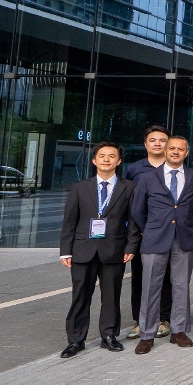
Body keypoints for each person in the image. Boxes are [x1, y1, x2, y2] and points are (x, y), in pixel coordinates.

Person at [59, 142, 135, 357]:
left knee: (111, 295)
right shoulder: (80, 187)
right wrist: (66, 250)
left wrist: (131, 246)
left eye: (111, 156)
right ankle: (76, 340)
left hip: (114, 249)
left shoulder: (129, 187)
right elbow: (69, 221)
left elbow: (134, 220)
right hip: (83, 249)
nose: (106, 159)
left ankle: (109, 335)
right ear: (94, 160)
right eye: (102, 156)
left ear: (119, 161)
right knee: (80, 296)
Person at [130, 135, 193, 354]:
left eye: (180, 149)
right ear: (165, 150)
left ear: (186, 153)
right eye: (172, 148)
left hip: (184, 239)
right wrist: (150, 229)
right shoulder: (147, 177)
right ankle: (147, 334)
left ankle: (178, 330)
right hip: (154, 239)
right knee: (150, 287)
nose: (175, 152)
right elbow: (137, 210)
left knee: (181, 286)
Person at [123, 124, 172, 340]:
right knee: (140, 278)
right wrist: (141, 230)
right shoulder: (135, 169)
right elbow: (131, 203)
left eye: (162, 140)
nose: (157, 144)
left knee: (167, 277)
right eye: (153, 140)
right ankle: (139, 320)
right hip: (142, 234)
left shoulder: (175, 167)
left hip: (168, 232)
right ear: (145, 144)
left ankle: (163, 318)